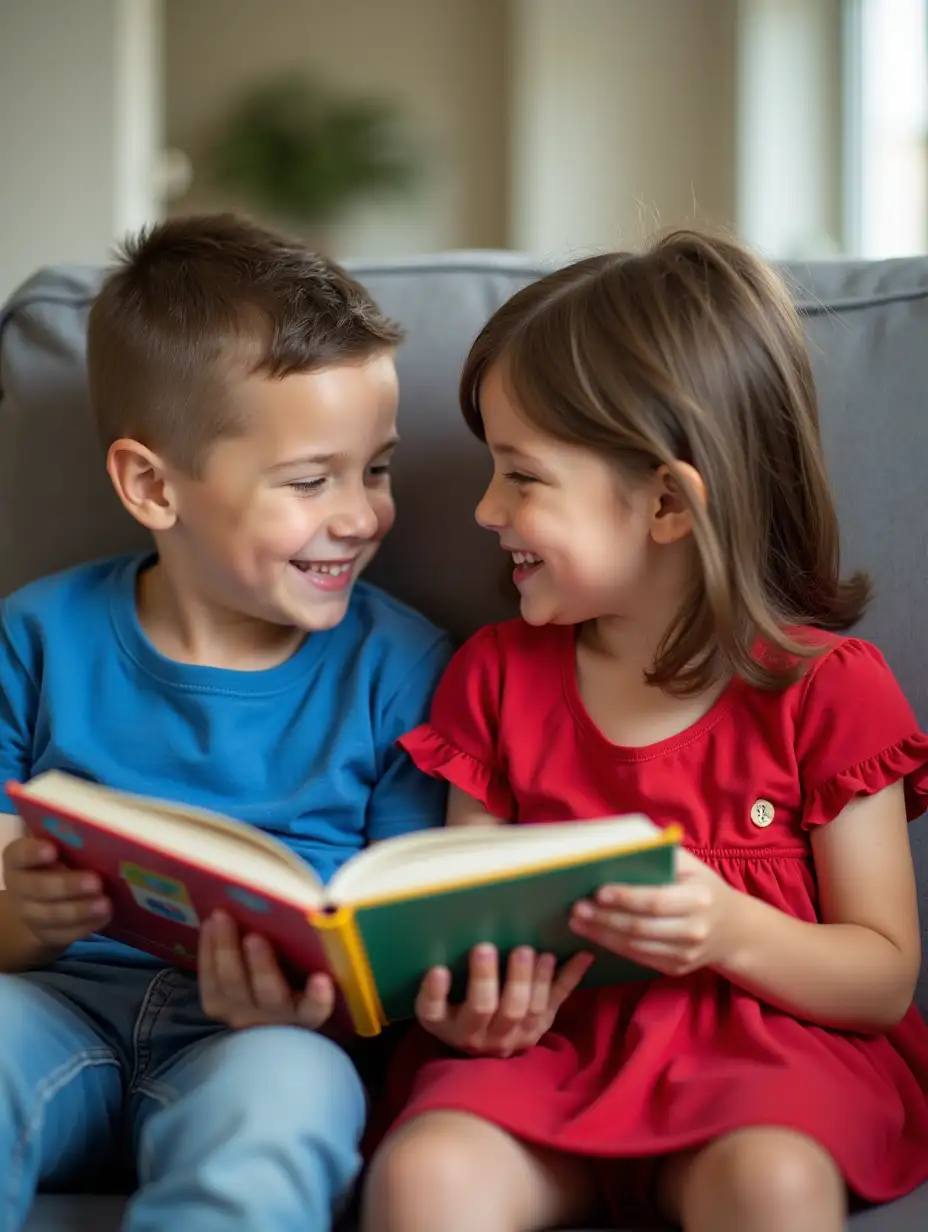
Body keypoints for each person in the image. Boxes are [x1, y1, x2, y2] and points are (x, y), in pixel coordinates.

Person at [362, 231, 928, 1232]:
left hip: (765, 1064)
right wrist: (462, 1002)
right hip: (547, 1056)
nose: (486, 509)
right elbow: (452, 930)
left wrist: (728, 927)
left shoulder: (826, 690)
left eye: (521, 476)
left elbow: (881, 976)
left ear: (666, 501)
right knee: (426, 1175)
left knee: (773, 1182)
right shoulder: (494, 676)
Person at [0, 214, 451, 1231]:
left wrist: (323, 1006)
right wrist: (29, 915)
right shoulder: (35, 639)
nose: (360, 514)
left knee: (281, 1109)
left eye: (373, 468)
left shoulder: (403, 667)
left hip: (264, 1038)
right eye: (309, 481)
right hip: (48, 1002)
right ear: (152, 484)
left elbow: (406, 946)